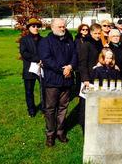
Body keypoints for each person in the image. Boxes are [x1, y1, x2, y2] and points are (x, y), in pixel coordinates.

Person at [39, 18, 77, 147]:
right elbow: (47, 59)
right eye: (60, 27)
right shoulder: (45, 42)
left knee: (63, 107)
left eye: (64, 26)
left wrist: (70, 67)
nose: (63, 29)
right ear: (52, 27)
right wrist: (62, 69)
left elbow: (74, 56)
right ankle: (50, 134)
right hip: (52, 81)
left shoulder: (69, 40)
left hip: (66, 81)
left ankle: (60, 132)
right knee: (50, 109)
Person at [77, 23, 103, 131]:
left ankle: (94, 122)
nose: (97, 35)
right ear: (91, 32)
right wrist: (85, 79)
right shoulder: (86, 44)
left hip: (97, 76)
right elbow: (82, 63)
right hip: (88, 77)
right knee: (85, 102)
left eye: (99, 33)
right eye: (95, 33)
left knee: (95, 101)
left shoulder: (99, 43)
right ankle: (84, 124)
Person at [20, 18, 44, 117]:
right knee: (29, 91)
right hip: (29, 69)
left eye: (37, 26)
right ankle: (31, 110)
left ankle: (44, 108)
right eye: (33, 26)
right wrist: (37, 59)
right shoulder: (24, 40)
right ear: (29, 28)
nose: (35, 28)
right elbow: (24, 53)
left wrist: (43, 60)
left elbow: (46, 52)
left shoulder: (43, 39)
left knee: (44, 89)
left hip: (41, 68)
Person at [74, 24, 90, 95]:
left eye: (87, 29)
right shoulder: (77, 39)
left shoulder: (90, 38)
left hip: (86, 60)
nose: (85, 31)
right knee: (78, 78)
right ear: (80, 30)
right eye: (83, 29)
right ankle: (78, 92)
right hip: (78, 61)